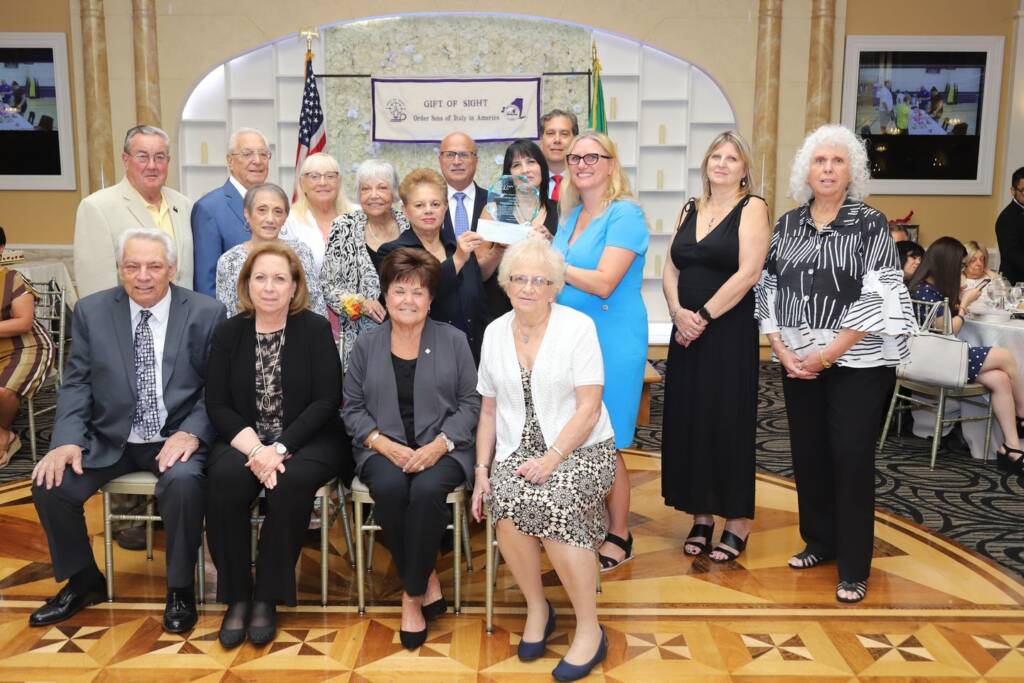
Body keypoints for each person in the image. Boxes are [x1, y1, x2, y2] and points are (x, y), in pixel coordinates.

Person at [30, 228, 225, 631]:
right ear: (119, 269)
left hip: (176, 438)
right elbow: (78, 382)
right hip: (109, 437)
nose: (143, 276)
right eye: (132, 266)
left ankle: (180, 589)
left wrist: (191, 432)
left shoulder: (206, 312)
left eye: (154, 266)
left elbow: (217, 390)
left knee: (185, 484)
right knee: (50, 483)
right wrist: (66, 440)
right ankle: (84, 580)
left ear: (172, 269)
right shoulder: (92, 311)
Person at [754, 124, 916, 604]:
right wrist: (782, 350)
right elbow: (768, 288)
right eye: (820, 161)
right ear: (807, 169)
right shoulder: (786, 224)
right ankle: (819, 541)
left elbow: (880, 298)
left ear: (852, 172)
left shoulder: (870, 223)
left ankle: (854, 565)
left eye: (837, 161)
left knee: (850, 456)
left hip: (859, 361)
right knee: (809, 453)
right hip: (798, 359)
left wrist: (827, 355)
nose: (827, 169)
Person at [471, 238, 616, 681]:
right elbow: (489, 410)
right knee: (506, 502)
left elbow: (590, 407)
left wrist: (553, 458)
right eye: (519, 278)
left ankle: (590, 629)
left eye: (540, 280)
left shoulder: (578, 327)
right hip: (519, 449)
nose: (528, 287)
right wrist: (481, 471)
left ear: (555, 287)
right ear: (506, 283)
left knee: (552, 501)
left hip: (583, 447)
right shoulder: (495, 332)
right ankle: (539, 608)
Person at [205, 241, 349, 648]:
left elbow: (327, 399)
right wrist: (255, 450)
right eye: (260, 278)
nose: (269, 287)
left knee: (288, 485)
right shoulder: (229, 332)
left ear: (295, 286)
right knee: (225, 483)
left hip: (308, 439)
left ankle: (267, 596)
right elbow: (216, 403)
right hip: (243, 439)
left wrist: (279, 449)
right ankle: (235, 596)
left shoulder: (315, 328)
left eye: (279, 279)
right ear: (247, 284)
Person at [342, 247, 480, 650]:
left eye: (418, 292)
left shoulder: (453, 340)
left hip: (445, 447)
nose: (408, 300)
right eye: (399, 291)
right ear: (385, 295)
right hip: (380, 447)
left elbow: (472, 402)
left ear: (431, 299)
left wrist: (439, 445)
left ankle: (410, 596)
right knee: (388, 488)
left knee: (424, 490)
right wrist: (381, 443)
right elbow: (350, 407)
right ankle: (428, 579)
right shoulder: (367, 345)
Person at [660, 131, 770, 562]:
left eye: (732, 158)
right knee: (691, 421)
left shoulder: (753, 208)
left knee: (727, 419)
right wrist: (677, 313)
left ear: (745, 169)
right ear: (706, 163)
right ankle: (702, 514)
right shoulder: (690, 207)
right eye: (716, 157)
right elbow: (670, 265)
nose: (722, 164)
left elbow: (748, 273)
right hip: (684, 331)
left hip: (726, 330)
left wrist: (702, 316)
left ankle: (737, 520)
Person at [550, 132, 648, 572]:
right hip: (569, 338)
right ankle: (589, 520)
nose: (582, 163)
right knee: (575, 433)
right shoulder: (569, 217)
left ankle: (620, 534)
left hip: (613, 339)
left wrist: (550, 264)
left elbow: (605, 280)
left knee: (606, 438)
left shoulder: (625, 214)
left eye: (593, 156)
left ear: (611, 164)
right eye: (575, 157)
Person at [908, 237, 1024, 474]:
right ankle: (1023, 415)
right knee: (1005, 356)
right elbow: (947, 328)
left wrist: (957, 298)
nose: (962, 270)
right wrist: (963, 305)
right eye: (960, 266)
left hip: (944, 355)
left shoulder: (929, 287)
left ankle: (1011, 447)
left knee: (1000, 379)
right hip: (936, 360)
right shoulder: (923, 291)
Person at [378, 169, 489, 362]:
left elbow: (479, 307)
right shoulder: (392, 252)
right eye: (419, 205)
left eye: (435, 204)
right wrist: (458, 260)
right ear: (405, 211)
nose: (428, 210)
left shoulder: (459, 248)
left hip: (469, 357)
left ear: (445, 207)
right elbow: (426, 290)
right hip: (418, 358)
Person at [74, 125, 194, 297]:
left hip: (183, 318)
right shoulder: (97, 208)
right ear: (125, 160)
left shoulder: (184, 205)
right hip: (129, 321)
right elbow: (95, 290)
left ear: (168, 161)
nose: (152, 166)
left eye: (159, 157)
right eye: (143, 157)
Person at [320, 159, 410, 369]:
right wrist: (360, 304)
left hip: (409, 335)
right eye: (366, 188)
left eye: (382, 187)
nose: (374, 195)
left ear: (394, 192)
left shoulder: (409, 225)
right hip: (360, 341)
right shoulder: (343, 228)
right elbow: (328, 286)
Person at [215, 183, 325, 317]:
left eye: (278, 211)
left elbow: (317, 307)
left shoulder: (300, 253)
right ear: (247, 213)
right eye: (262, 210)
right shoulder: (229, 260)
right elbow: (228, 316)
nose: (270, 219)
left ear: (285, 218)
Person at [191, 128, 272, 296]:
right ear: (230, 161)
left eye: (263, 154)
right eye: (247, 154)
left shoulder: (275, 205)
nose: (257, 161)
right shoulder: (209, 208)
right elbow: (206, 284)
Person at [0, 226, 55, 467]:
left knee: (2, 391)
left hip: (27, 346)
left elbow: (23, 322)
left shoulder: (11, 278)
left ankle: (4, 434)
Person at [283, 152, 356, 274]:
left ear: (339, 182)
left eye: (330, 176)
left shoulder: (357, 214)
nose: (322, 182)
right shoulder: (289, 220)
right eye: (314, 176)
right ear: (302, 183)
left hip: (355, 293)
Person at [503, 139, 559, 239]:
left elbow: (571, 253)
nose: (525, 170)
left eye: (531, 162)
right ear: (508, 174)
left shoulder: (562, 210)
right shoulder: (493, 210)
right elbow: (483, 254)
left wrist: (551, 240)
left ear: (542, 168)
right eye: (516, 165)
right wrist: (498, 249)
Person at [539, 109, 579, 201]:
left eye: (564, 134)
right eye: (550, 133)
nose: (557, 140)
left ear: (575, 140)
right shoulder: (529, 181)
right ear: (541, 140)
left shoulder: (585, 180)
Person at [995, 167, 1024, 284]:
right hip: (1015, 285)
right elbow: (1013, 256)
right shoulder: (1006, 219)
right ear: (1013, 191)